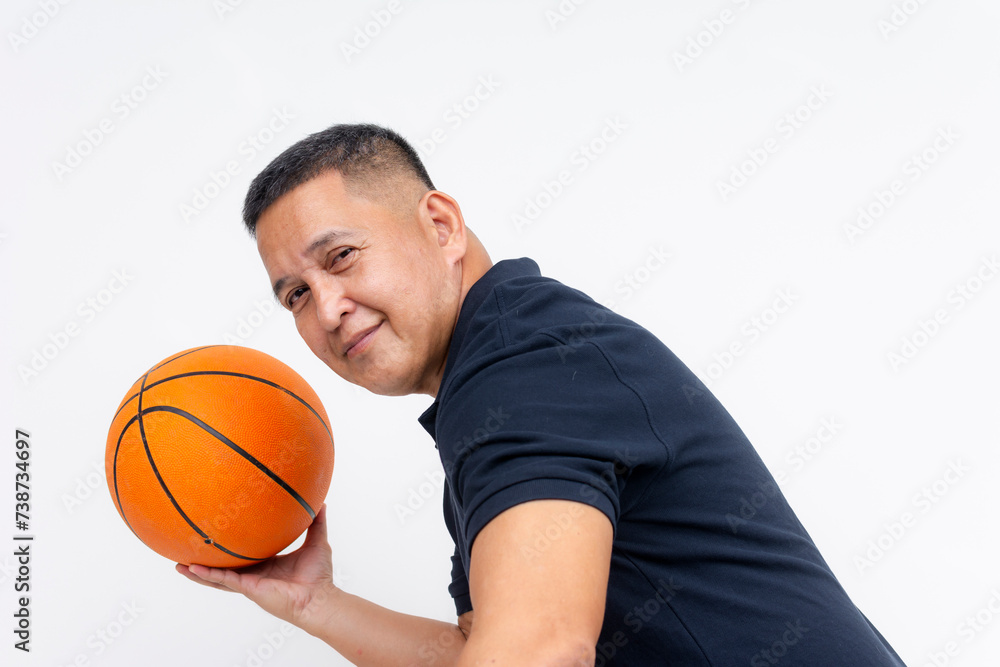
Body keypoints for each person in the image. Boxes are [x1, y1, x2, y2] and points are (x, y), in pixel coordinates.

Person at [178, 123, 905, 666]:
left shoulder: (525, 368)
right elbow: (488, 650)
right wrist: (315, 603)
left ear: (440, 226)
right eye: (297, 295)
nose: (328, 308)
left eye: (341, 257)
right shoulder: (503, 369)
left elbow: (540, 650)